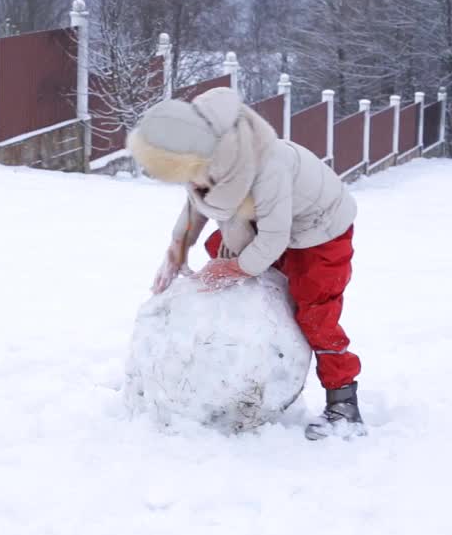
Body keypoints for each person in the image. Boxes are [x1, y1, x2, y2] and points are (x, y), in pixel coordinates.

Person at [127, 86, 365, 441]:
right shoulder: (210, 155)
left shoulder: (269, 169)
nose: (188, 183)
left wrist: (231, 270)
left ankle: (344, 401)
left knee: (315, 312)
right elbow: (198, 204)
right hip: (272, 221)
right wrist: (178, 247)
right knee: (218, 244)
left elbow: (272, 239)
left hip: (319, 232)